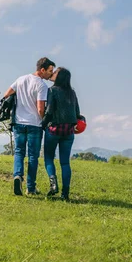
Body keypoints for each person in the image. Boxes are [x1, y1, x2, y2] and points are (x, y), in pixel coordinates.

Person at [3, 57, 56, 196]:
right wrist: (44, 121)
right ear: (42, 70)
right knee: (33, 156)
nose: (51, 74)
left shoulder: (21, 79)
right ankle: (30, 188)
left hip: (19, 123)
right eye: (50, 71)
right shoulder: (42, 86)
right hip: (34, 125)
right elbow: (40, 109)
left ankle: (17, 176)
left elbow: (6, 94)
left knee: (19, 152)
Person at [41, 67, 84, 201]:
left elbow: (49, 111)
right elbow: (77, 112)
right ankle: (65, 194)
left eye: (55, 72)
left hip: (54, 129)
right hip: (69, 131)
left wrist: (42, 125)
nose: (52, 74)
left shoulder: (52, 90)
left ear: (59, 76)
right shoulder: (72, 93)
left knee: (48, 158)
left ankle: (53, 185)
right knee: (65, 163)